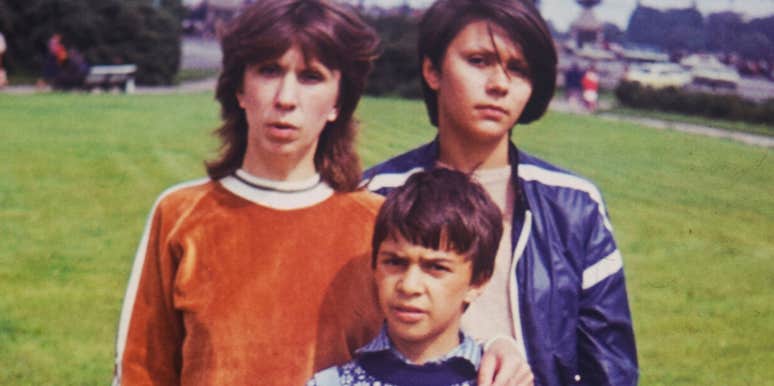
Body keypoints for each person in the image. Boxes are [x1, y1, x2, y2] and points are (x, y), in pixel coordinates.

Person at [112, 1, 524, 385]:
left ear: (338, 102)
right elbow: (141, 369)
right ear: (240, 89)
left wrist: (496, 345)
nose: (286, 99)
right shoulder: (181, 214)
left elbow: (433, 317)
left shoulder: (376, 222)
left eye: (311, 77)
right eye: (269, 70)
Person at [363, 1, 639, 385]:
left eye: (519, 69)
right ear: (432, 70)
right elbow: (351, 340)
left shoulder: (575, 206)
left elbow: (611, 369)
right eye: (479, 60)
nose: (499, 84)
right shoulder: (376, 196)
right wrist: (485, 344)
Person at [308, 169, 505, 386]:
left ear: (477, 282)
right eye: (394, 262)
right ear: (374, 267)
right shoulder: (331, 383)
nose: (409, 286)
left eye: (436, 267)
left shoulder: (504, 381)